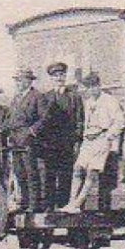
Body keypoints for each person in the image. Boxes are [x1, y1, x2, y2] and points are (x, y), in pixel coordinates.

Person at [61, 72, 125, 212]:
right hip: (88, 140)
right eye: (88, 87)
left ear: (99, 86)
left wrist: (109, 136)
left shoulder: (110, 101)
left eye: (94, 86)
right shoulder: (88, 102)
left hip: (101, 139)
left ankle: (78, 203)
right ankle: (71, 202)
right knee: (78, 169)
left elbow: (120, 122)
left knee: (92, 172)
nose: (91, 90)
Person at [35, 61, 83, 211]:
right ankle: (49, 205)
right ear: (51, 78)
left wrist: (77, 140)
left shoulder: (74, 97)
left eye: (61, 75)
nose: (59, 78)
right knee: (49, 175)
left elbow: (80, 120)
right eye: (56, 76)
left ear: (65, 77)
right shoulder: (45, 97)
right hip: (49, 143)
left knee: (65, 174)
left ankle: (63, 205)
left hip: (67, 142)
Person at [5, 68, 44, 211]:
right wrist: (5, 131)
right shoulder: (16, 98)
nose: (18, 83)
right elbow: (11, 118)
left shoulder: (37, 96)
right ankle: (25, 202)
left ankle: (35, 205)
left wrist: (31, 131)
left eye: (20, 80)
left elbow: (43, 118)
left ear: (29, 81)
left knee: (31, 172)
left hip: (28, 140)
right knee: (19, 172)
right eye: (17, 80)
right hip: (15, 140)